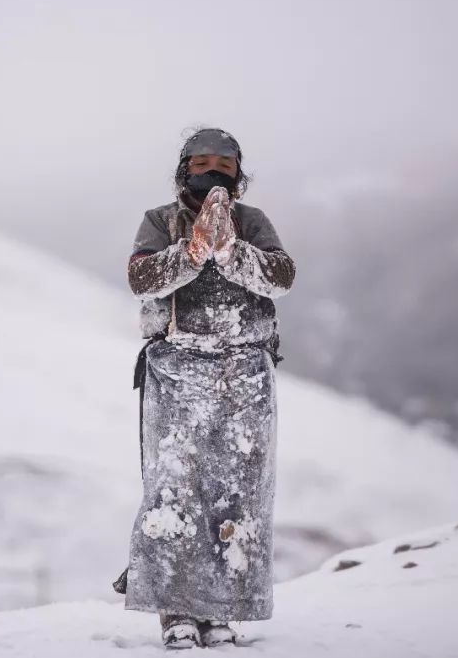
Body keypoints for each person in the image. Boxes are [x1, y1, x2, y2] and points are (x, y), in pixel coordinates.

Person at [121, 127, 295, 649]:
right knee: (174, 491)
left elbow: (281, 277)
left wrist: (232, 250)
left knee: (237, 494)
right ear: (184, 169)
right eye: (201, 162)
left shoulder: (252, 222)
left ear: (239, 173)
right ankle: (176, 611)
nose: (212, 170)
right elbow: (141, 279)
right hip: (176, 367)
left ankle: (223, 610)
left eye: (223, 162)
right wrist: (193, 253)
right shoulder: (161, 221)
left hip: (245, 372)